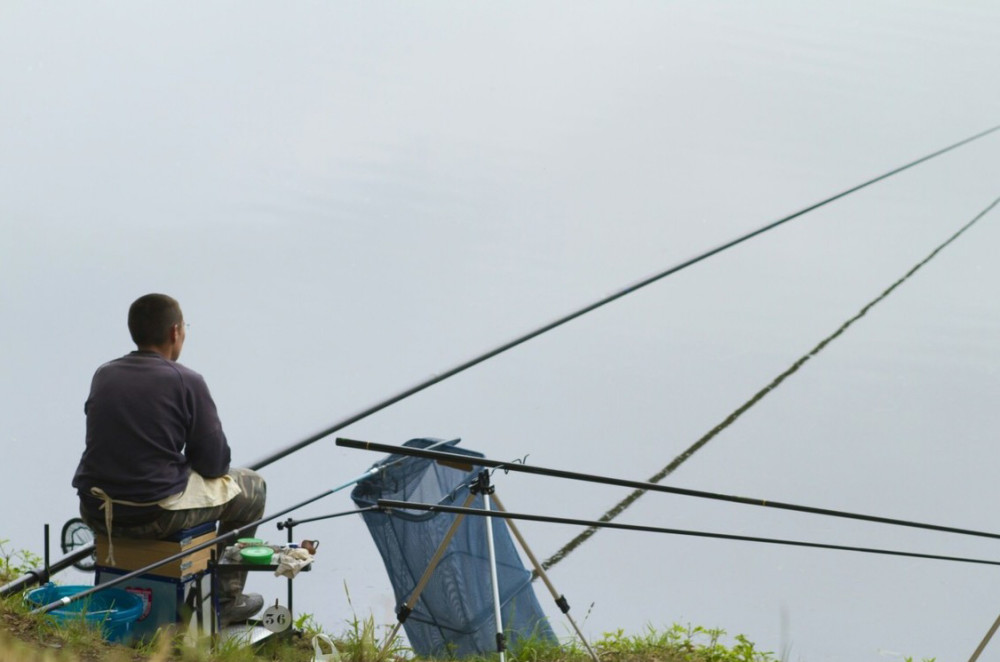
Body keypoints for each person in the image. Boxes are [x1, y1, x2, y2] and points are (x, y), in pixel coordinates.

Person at [73, 293, 266, 626]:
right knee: (253, 488)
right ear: (176, 332)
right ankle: (226, 599)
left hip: (97, 510)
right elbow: (214, 464)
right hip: (152, 515)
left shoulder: (104, 374)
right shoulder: (186, 380)